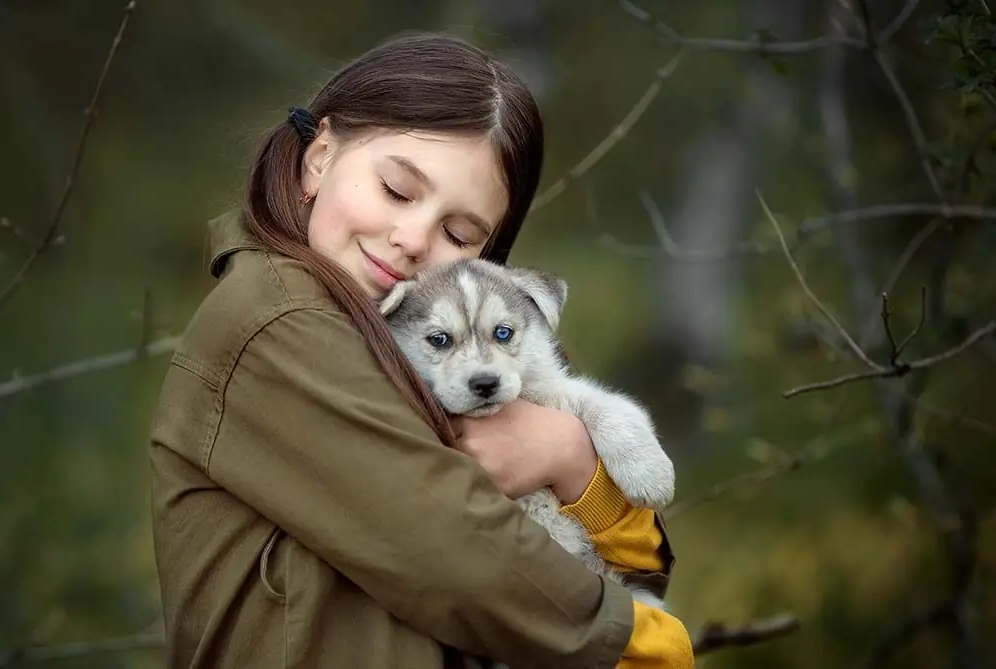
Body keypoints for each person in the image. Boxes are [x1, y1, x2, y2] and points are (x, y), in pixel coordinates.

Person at [149, 31, 694, 669]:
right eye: (397, 191)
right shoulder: (280, 323)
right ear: (320, 155)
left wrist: (572, 460)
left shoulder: (392, 332)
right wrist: (653, 649)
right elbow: (464, 561)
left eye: (459, 232)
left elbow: (634, 570)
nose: (411, 239)